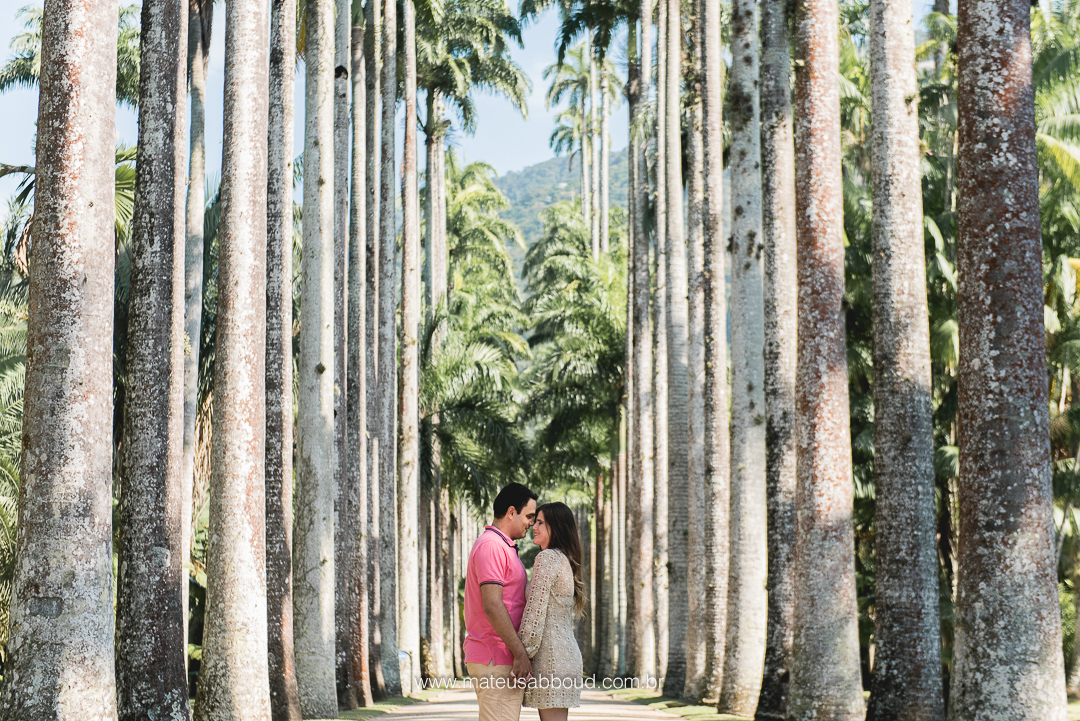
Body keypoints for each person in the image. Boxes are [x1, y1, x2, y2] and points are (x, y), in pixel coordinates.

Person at [464, 482, 539, 721]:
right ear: (511, 512)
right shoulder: (492, 545)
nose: (531, 523)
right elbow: (493, 605)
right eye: (529, 516)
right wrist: (520, 654)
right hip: (494, 657)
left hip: (501, 658)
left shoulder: (503, 546)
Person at [519, 502, 585, 721]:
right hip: (565, 656)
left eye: (540, 523)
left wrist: (521, 655)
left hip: (552, 659)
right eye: (534, 521)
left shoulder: (548, 558)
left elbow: (534, 614)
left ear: (555, 528)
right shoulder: (563, 559)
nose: (533, 526)